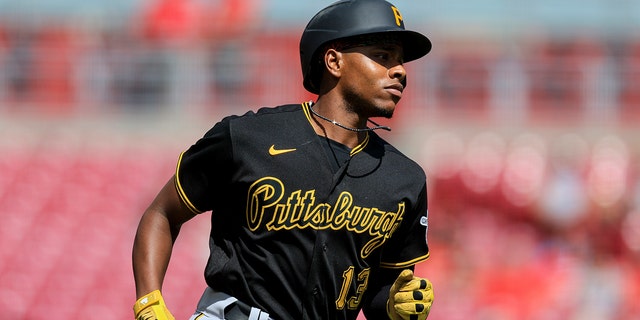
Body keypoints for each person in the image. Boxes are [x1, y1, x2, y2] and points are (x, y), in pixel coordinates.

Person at [132, 0, 434, 319]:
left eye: (401, 61)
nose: (400, 71)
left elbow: (379, 293)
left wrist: (396, 305)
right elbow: (162, 214)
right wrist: (149, 302)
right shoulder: (248, 138)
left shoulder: (405, 179)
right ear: (334, 61)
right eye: (383, 56)